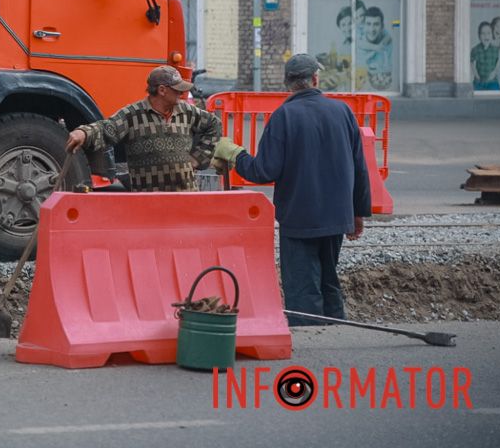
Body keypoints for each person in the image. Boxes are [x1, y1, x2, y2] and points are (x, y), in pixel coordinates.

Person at [212, 54, 370, 326]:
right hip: (337, 217)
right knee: (329, 278)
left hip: (299, 219)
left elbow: (263, 171)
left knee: (302, 286)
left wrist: (235, 154)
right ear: (315, 79)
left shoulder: (284, 116)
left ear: (288, 85)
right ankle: (339, 332)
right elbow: (360, 168)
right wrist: (358, 213)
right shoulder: (342, 111)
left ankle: (310, 339)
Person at [64, 66, 221, 191]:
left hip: (185, 196)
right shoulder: (133, 115)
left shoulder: (187, 111)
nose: (181, 93)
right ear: (162, 90)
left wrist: (197, 159)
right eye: (177, 89)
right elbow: (107, 128)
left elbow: (214, 124)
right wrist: (84, 132)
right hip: (147, 203)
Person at [356, 7, 393, 90]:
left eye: (376, 24)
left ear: (382, 26)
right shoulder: (357, 44)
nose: (372, 29)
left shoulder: (388, 46)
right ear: (363, 25)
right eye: (368, 24)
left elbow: (389, 37)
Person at [471, 20, 500, 91]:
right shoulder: (475, 49)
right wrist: (476, 75)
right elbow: (472, 62)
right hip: (479, 81)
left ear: (492, 35)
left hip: (492, 81)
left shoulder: (495, 49)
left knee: (496, 94)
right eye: (483, 33)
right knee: (475, 95)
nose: (486, 36)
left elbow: (499, 61)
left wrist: (495, 72)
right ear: (479, 36)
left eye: (488, 33)